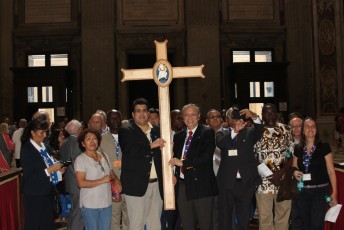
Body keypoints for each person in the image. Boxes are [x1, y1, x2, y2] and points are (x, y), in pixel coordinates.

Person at [169, 103, 218, 230]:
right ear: (182, 117)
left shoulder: (207, 132)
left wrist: (183, 163)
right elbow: (175, 158)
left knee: (205, 224)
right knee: (187, 224)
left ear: (199, 117)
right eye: (186, 115)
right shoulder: (179, 136)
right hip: (183, 186)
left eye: (193, 115)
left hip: (202, 186)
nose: (189, 118)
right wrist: (174, 175)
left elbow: (205, 157)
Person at [119, 98, 166, 230]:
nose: (142, 114)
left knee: (155, 223)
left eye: (144, 110)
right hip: (135, 185)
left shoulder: (158, 130)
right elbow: (130, 151)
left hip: (157, 184)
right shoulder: (126, 131)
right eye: (138, 111)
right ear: (133, 114)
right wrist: (152, 145)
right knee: (136, 224)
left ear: (148, 114)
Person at [216, 107, 263, 230]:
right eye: (232, 117)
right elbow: (221, 144)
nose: (235, 119)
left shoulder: (249, 132)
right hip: (227, 183)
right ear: (227, 119)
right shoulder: (222, 133)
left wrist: (254, 116)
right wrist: (234, 132)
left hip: (245, 183)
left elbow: (259, 130)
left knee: (243, 219)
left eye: (237, 117)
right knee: (225, 218)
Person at [292, 117, 338, 230]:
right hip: (303, 191)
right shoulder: (298, 148)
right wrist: (294, 172)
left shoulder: (324, 147)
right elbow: (294, 166)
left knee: (317, 225)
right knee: (306, 224)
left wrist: (335, 193)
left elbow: (331, 171)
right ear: (303, 130)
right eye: (307, 126)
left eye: (313, 126)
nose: (310, 128)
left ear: (316, 129)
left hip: (320, 191)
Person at [20, 117, 65, 230]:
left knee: (47, 223)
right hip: (34, 193)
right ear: (32, 133)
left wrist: (59, 171)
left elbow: (51, 163)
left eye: (46, 132)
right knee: (34, 224)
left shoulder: (45, 146)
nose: (44, 135)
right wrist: (49, 170)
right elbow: (30, 176)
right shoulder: (27, 149)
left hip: (48, 191)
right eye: (41, 132)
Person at [254, 103, 293, 230]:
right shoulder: (255, 131)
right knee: (265, 220)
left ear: (277, 114)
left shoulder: (286, 130)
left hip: (283, 181)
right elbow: (251, 156)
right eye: (267, 113)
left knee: (283, 218)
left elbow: (291, 154)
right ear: (262, 115)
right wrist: (268, 173)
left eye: (273, 112)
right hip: (263, 183)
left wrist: (281, 172)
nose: (270, 115)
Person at [75, 129, 122, 230]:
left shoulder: (104, 155)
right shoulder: (80, 160)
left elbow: (110, 172)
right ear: (83, 143)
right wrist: (102, 180)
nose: (92, 141)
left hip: (106, 203)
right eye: (88, 139)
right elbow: (81, 183)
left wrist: (117, 181)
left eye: (94, 138)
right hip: (90, 205)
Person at [99, 109, 129, 230]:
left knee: (130, 216)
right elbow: (99, 161)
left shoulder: (128, 135)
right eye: (112, 118)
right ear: (106, 121)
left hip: (129, 182)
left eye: (117, 118)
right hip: (112, 183)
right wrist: (112, 179)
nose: (115, 120)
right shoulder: (100, 139)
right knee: (114, 217)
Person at [60, 119, 84, 230]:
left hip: (69, 182)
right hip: (77, 182)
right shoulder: (78, 144)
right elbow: (77, 164)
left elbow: (67, 161)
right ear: (79, 130)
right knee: (77, 214)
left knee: (73, 212)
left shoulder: (64, 142)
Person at [205, 109, 225, 230]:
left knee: (223, 209)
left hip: (224, 177)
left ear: (221, 119)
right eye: (211, 117)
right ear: (207, 121)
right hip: (207, 177)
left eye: (217, 116)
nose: (215, 119)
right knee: (210, 211)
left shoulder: (230, 134)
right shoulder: (202, 135)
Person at [289, 114, 304, 230]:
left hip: (308, 180)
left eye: (299, 125)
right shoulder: (286, 143)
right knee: (294, 212)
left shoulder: (309, 141)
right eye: (293, 126)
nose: (296, 128)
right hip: (291, 182)